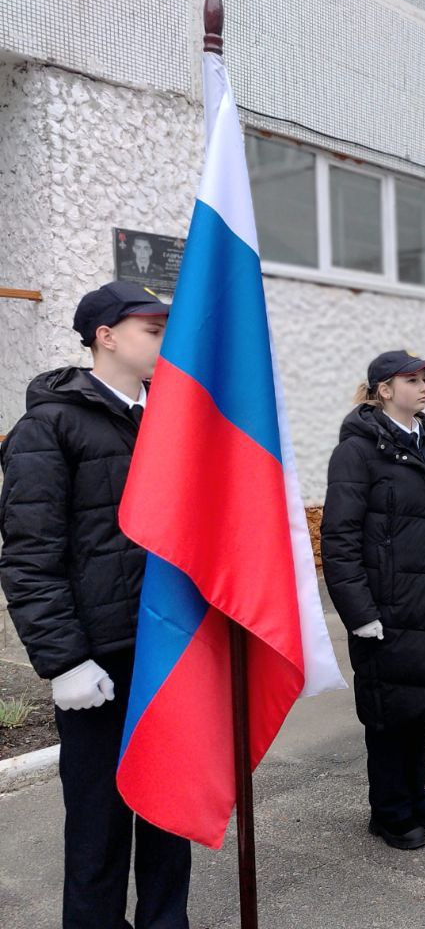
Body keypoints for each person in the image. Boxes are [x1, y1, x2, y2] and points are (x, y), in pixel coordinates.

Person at [0, 281, 191, 928]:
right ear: (105, 336)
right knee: (98, 824)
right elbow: (30, 556)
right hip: (100, 662)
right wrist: (65, 661)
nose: (166, 342)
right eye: (153, 331)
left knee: (168, 812)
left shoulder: (171, 420)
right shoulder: (49, 426)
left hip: (168, 647)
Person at [321, 350, 425, 850]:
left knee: (420, 705)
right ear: (384, 390)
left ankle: (414, 795)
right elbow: (339, 539)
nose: (424, 386)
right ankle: (389, 811)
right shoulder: (357, 453)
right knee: (389, 713)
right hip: (385, 608)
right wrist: (359, 613)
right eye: (412, 379)